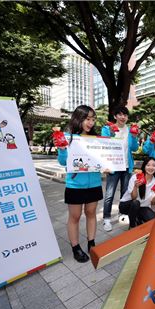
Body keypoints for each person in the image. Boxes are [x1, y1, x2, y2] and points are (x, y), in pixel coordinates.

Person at [56, 105, 103, 263]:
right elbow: (63, 162)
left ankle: (91, 242)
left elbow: (102, 159)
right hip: (75, 185)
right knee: (75, 216)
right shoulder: (68, 137)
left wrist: (108, 165)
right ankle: (75, 247)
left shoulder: (96, 139)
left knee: (91, 213)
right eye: (87, 119)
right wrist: (62, 149)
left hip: (94, 183)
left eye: (93, 119)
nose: (91, 123)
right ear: (79, 119)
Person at [101, 106, 139, 232]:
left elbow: (134, 148)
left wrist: (134, 137)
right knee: (109, 193)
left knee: (124, 192)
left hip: (127, 166)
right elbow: (104, 145)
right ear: (115, 116)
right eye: (120, 114)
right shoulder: (107, 129)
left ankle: (122, 213)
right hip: (113, 166)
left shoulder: (130, 130)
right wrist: (112, 133)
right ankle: (106, 218)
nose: (123, 117)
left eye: (125, 115)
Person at [119, 157, 155, 228]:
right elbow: (133, 198)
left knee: (153, 220)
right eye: (148, 165)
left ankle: (138, 218)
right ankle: (132, 225)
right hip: (126, 205)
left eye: (153, 165)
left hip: (142, 206)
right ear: (144, 166)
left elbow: (152, 203)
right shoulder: (135, 177)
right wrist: (135, 186)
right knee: (136, 203)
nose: (151, 167)